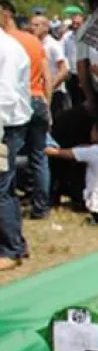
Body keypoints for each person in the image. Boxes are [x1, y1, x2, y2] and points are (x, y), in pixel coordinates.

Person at [1, 1, 51, 221]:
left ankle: (10, 204)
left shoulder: (7, 44)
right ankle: (41, 206)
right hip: (37, 98)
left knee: (9, 161)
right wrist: (47, 103)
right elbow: (47, 76)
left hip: (14, 106)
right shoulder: (31, 41)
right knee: (39, 157)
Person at [0, 23, 32, 270]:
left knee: (2, 188)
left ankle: (11, 250)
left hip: (6, 127)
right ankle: (15, 243)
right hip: (7, 125)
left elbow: (6, 96)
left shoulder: (6, 48)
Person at [44, 122, 98, 210]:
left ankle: (51, 197)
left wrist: (38, 148)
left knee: (62, 166)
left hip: (92, 199)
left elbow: (57, 153)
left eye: (93, 130)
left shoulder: (92, 152)